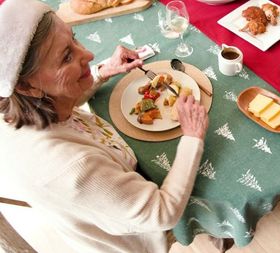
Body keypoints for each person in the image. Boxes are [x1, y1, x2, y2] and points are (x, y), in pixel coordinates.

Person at [0, 0, 209, 252]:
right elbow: (162, 213)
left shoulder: (18, 104)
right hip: (136, 237)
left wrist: (102, 72)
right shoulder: (72, 166)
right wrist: (192, 136)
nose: (87, 55)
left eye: (74, 39)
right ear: (26, 86)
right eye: (66, 56)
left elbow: (55, 101)